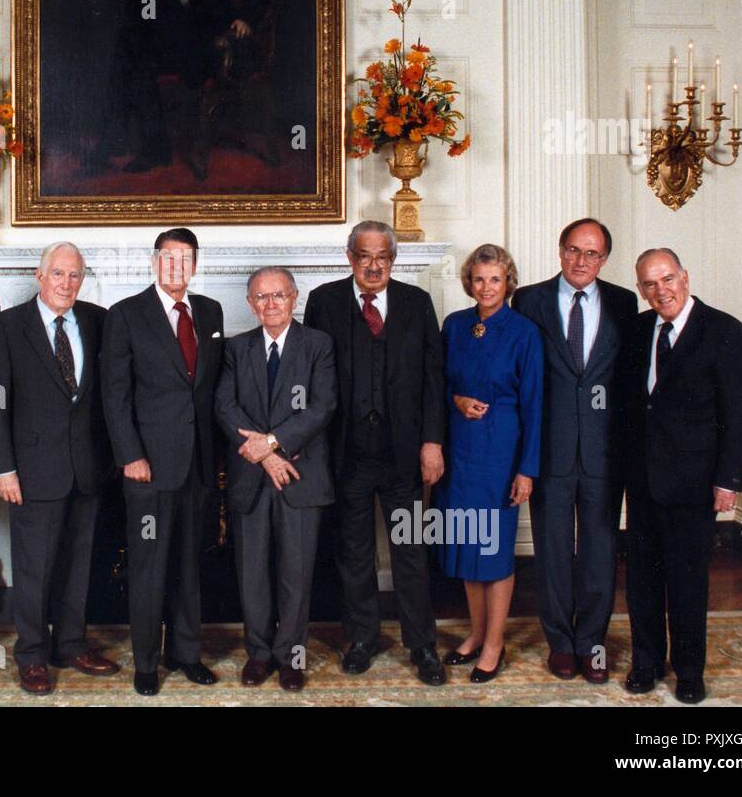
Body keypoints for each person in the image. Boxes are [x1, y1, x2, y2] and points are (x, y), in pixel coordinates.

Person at [303, 220, 448, 686]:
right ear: (350, 258)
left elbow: (433, 379)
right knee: (354, 552)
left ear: (393, 260)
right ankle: (360, 637)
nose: (372, 265)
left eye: (382, 256)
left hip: (402, 454)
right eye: (363, 256)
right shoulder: (323, 301)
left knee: (409, 549)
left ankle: (421, 643)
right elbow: (311, 377)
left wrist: (432, 442)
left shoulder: (416, 302)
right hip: (347, 455)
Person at [0, 242, 120, 695]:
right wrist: (3, 467)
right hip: (32, 468)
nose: (66, 283)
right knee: (35, 568)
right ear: (40, 277)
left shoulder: (98, 321)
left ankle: (72, 644)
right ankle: (33, 654)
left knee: (79, 564)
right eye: (57, 274)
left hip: (87, 466)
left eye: (74, 275)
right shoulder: (7, 326)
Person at [621, 248, 742, 704]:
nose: (661, 291)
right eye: (650, 284)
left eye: (668, 279)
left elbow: (740, 414)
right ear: (641, 289)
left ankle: (689, 670)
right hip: (641, 480)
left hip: (695, 483)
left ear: (685, 276)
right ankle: (646, 662)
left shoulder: (724, 331)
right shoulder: (638, 330)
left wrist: (728, 481)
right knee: (641, 577)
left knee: (686, 580)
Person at [511, 219, 637, 683]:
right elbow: (518, 373)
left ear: (604, 259)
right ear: (560, 250)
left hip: (606, 452)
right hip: (549, 448)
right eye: (573, 250)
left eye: (593, 254)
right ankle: (561, 644)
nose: (582, 261)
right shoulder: (529, 300)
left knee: (602, 550)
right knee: (553, 550)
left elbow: (628, 377)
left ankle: (593, 644)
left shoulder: (625, 302)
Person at [102, 227, 224, 696]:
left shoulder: (210, 311)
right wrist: (130, 455)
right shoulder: (126, 315)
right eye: (168, 258)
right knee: (150, 565)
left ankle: (186, 653)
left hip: (197, 465)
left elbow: (210, 390)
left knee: (190, 563)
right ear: (154, 262)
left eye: (186, 258)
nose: (177, 267)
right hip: (147, 467)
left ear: (195, 265)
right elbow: (115, 394)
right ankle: (147, 662)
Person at [94, 0, 277, 179]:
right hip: (179, 49)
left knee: (131, 53)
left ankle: (116, 144)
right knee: (129, 48)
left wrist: (247, 18)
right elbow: (139, 19)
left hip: (218, 45)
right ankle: (148, 148)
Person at [215, 266, 336, 691]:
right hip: (253, 477)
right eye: (261, 298)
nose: (270, 304)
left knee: (296, 576)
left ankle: (291, 657)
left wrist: (272, 444)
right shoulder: (236, 348)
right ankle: (260, 654)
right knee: (253, 576)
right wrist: (266, 457)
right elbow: (225, 407)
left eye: (278, 296)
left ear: (294, 298)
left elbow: (321, 408)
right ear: (250, 303)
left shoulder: (318, 345)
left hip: (300, 476)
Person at [435, 244, 542, 683]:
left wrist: (527, 469)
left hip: (501, 451)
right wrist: (455, 399)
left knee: (494, 551)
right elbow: (437, 383)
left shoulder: (524, 332)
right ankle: (476, 633)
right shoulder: (455, 325)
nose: (486, 287)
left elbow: (535, 405)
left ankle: (494, 643)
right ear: (469, 282)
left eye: (495, 279)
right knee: (466, 545)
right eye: (479, 279)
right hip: (458, 450)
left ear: (508, 281)